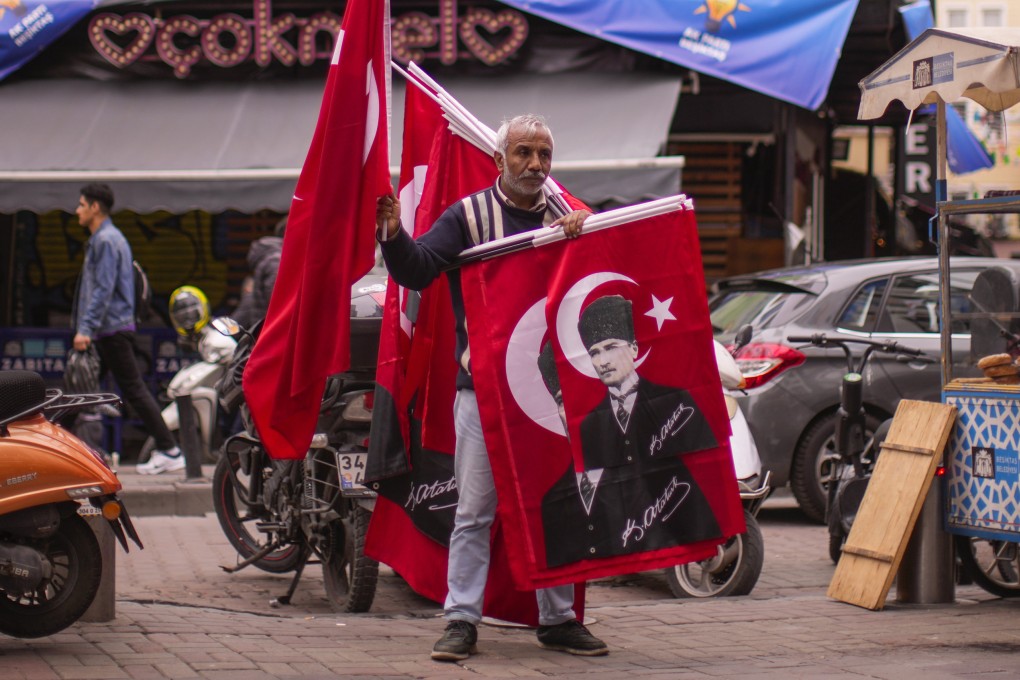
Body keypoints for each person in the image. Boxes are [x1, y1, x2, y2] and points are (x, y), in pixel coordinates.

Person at [376, 114, 607, 661]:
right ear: (499, 160)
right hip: (481, 389)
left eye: (544, 154)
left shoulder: (568, 214)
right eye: (524, 153)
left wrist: (587, 233)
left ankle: (558, 619)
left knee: (556, 506)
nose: (535, 164)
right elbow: (418, 269)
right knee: (475, 509)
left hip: (552, 393)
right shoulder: (469, 215)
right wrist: (392, 233)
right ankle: (460, 620)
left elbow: (600, 282)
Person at [540, 295, 723, 566]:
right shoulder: (589, 424)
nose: (603, 360)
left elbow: (706, 465)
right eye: (594, 353)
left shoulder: (676, 401)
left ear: (635, 349)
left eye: (611, 347)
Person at [71, 183, 182, 475]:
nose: (77, 210)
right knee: (84, 392)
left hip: (110, 329)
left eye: (82, 204)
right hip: (110, 329)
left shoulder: (105, 240)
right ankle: (78, 454)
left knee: (128, 389)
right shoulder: (109, 238)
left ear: (95, 207)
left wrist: (85, 328)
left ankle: (170, 449)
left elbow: (103, 290)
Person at [233, 217, 285, 328]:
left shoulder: (272, 257)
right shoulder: (276, 261)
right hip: (272, 333)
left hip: (264, 330)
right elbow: (279, 303)